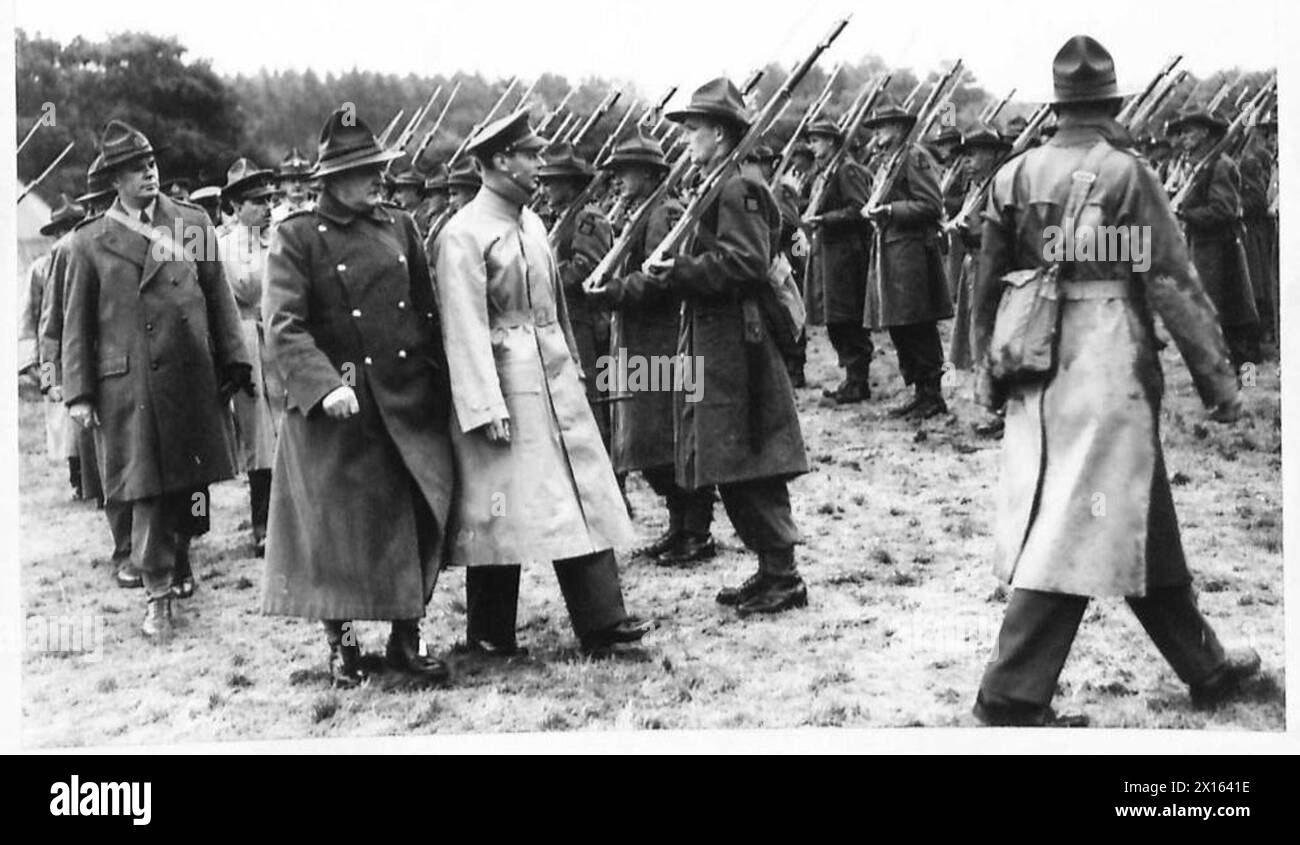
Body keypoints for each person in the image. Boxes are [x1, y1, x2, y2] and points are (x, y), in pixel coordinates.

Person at [969, 35, 1260, 726]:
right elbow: (1172, 282)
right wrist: (1220, 383)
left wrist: (985, 375)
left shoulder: (1012, 176)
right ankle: (1009, 695)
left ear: (1056, 106)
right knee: (1075, 518)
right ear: (1113, 103)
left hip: (1034, 364)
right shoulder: (1127, 174)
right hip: (1108, 367)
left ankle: (1206, 666)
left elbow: (982, 284)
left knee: (1134, 512)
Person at [432, 108, 650, 656]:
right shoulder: (463, 234)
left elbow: (554, 308)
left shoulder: (530, 223)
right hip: (507, 387)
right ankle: (487, 636)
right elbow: (463, 325)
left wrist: (573, 363)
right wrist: (484, 406)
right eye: (530, 155)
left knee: (578, 494)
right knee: (498, 507)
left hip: (552, 376)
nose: (539, 165)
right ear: (499, 161)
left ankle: (603, 620)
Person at [594, 79, 810, 615]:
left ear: (719, 132)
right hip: (716, 339)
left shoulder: (738, 188)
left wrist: (682, 270)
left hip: (739, 341)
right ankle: (771, 570)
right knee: (730, 459)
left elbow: (748, 264)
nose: (687, 139)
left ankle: (783, 574)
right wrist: (654, 281)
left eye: (693, 129)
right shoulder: (717, 184)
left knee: (750, 455)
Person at [261, 109, 455, 687]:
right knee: (335, 535)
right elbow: (284, 325)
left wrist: (440, 384)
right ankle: (341, 645)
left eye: (380, 168)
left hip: (405, 400)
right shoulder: (296, 236)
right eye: (366, 171)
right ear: (331, 181)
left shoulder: (401, 227)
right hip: (338, 411)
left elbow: (427, 311)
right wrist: (324, 387)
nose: (379, 179)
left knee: (416, 518)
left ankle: (406, 638)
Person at [62, 120, 251, 639]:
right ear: (114, 181)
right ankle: (157, 592)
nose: (148, 174)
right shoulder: (89, 242)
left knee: (190, 486)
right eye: (133, 169)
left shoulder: (192, 223)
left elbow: (218, 297)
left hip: (191, 375)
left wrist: (234, 360)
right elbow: (76, 325)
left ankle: (180, 558)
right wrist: (79, 393)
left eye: (150, 164)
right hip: (133, 386)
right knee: (145, 490)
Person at [592, 128, 718, 566]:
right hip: (636, 341)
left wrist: (614, 291)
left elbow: (660, 277)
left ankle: (696, 531)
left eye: (628, 170)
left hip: (661, 343)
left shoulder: (664, 213)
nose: (621, 178)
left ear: (648, 173)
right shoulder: (639, 211)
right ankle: (679, 525)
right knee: (645, 443)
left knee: (666, 439)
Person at [41, 158, 137, 582]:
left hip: (129, 367)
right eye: (98, 204)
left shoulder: (136, 238)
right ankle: (125, 549)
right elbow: (53, 325)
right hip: (93, 372)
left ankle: (154, 546)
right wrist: (57, 384)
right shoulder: (72, 249)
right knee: (108, 467)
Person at [861, 97, 954, 421]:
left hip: (911, 253)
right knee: (901, 326)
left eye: (882, 126)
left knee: (917, 324)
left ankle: (932, 394)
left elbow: (931, 205)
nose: (877, 133)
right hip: (891, 251)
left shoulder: (914, 157)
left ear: (899, 128)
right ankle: (919, 391)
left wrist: (891, 210)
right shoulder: (889, 161)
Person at [217, 158, 285, 557]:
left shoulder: (282, 241)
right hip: (245, 343)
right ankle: (262, 524)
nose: (266, 207)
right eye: (256, 201)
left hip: (281, 339)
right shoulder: (221, 247)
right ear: (237, 207)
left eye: (269, 198)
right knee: (259, 438)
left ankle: (293, 520)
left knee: (290, 428)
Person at [1166, 105, 1259, 371]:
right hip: (1204, 249)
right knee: (1212, 317)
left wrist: (1185, 212)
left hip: (1221, 253)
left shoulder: (1219, 165)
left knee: (1231, 320)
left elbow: (1224, 210)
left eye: (1188, 132)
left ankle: (1244, 383)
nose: (1183, 137)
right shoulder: (1201, 165)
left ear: (1205, 133)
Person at [537, 143, 615, 445]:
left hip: (585, 322)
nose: (544, 190)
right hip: (567, 320)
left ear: (569, 185)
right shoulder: (565, 218)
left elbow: (589, 269)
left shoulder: (587, 218)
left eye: (551, 182)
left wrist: (546, 277)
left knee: (592, 403)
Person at [800, 118, 873, 404]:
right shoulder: (825, 173)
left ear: (831, 141)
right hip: (829, 254)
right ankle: (851, 378)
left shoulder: (847, 169)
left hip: (846, 255)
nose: (812, 145)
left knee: (848, 318)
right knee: (835, 319)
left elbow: (860, 209)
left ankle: (858, 380)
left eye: (817, 139)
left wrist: (825, 219)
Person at [22, 194, 86, 498]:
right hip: (53, 352)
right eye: (62, 229)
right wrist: (43, 376)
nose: (67, 234)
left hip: (82, 347)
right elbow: (33, 322)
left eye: (74, 226)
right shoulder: (40, 269)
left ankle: (91, 477)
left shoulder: (87, 258)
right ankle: (76, 477)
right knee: (61, 418)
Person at [271, 146, 314, 225]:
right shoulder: (273, 216)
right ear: (283, 184)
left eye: (302, 180)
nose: (297, 185)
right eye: (292, 180)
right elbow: (255, 232)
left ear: (310, 183)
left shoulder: (319, 212)